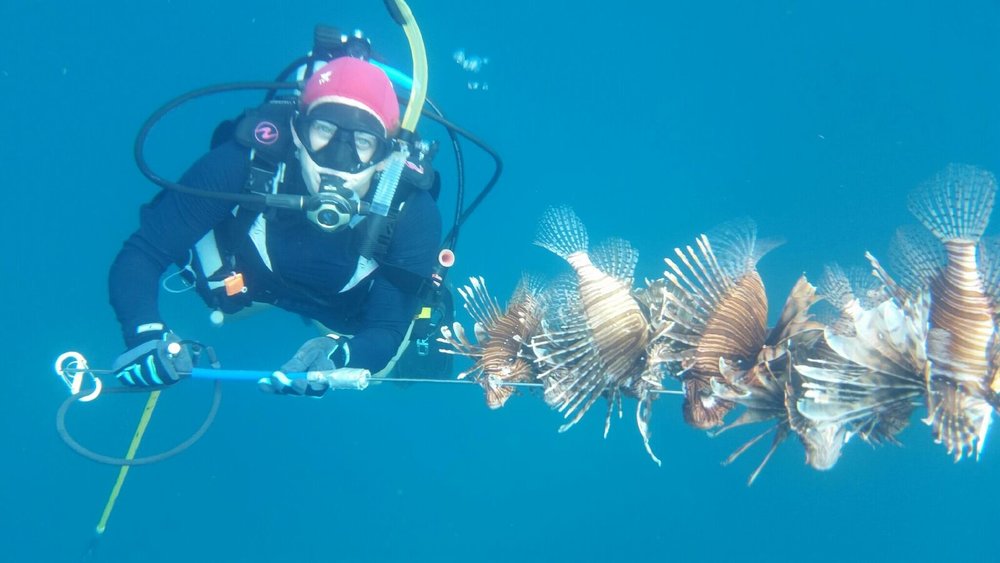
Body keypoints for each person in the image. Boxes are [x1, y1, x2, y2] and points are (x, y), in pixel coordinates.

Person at [109, 56, 442, 397]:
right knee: (219, 302)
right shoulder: (248, 163)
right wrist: (144, 335)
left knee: (385, 364)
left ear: (386, 156)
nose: (338, 160)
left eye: (363, 142)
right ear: (297, 132)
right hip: (245, 287)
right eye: (324, 131)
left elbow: (385, 329)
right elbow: (145, 250)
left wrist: (339, 355)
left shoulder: (411, 213)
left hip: (340, 314)